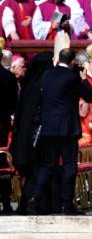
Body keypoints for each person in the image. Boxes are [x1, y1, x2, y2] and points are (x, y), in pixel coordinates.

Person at [28, 48, 92, 215]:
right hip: (67, 129)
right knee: (69, 165)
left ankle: (34, 198)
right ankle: (66, 203)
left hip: (48, 128)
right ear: (72, 62)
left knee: (47, 165)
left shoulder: (47, 74)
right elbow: (89, 97)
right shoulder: (73, 77)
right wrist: (84, 79)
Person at [10, 53, 52, 214]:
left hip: (24, 137)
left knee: (33, 171)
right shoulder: (42, 87)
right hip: (39, 136)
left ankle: (28, 202)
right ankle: (35, 202)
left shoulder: (28, 86)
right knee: (39, 170)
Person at [0, 49, 17, 214]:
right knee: (2, 164)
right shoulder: (8, 77)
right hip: (2, 125)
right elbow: (14, 105)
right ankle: (5, 202)